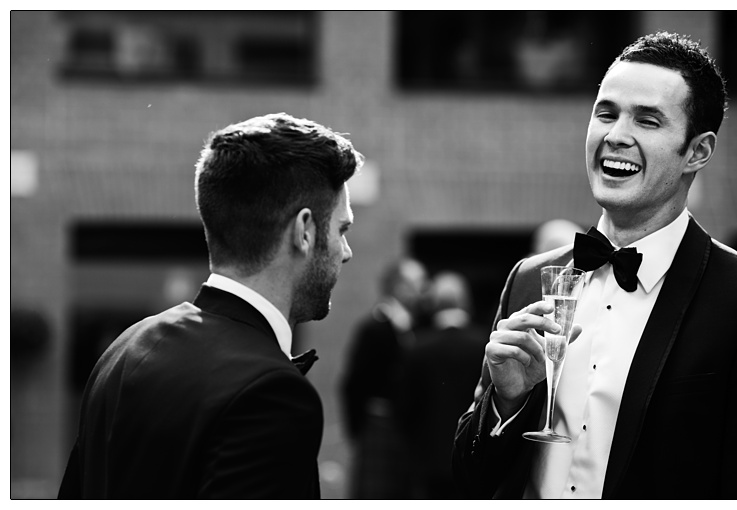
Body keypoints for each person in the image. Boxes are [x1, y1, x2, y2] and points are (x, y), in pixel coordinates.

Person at [451, 32, 737, 499]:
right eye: (606, 113)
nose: (615, 135)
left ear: (698, 152)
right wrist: (507, 402)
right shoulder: (528, 278)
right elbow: (471, 480)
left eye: (647, 121)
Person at [58, 113, 360, 498]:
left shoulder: (127, 347)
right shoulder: (271, 393)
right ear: (304, 231)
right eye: (342, 229)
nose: (345, 252)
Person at [394, 272, 488, 499]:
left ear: (433, 304)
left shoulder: (417, 347)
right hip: (475, 459)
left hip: (428, 460)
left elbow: (403, 407)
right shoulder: (486, 345)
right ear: (466, 302)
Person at [340, 257, 426, 498]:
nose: (423, 290)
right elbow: (353, 384)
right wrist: (361, 430)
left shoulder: (411, 328)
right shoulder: (374, 329)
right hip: (378, 426)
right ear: (399, 287)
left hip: (400, 430)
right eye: (418, 283)